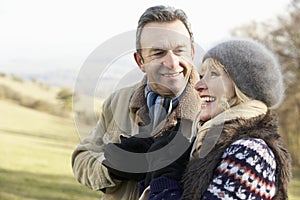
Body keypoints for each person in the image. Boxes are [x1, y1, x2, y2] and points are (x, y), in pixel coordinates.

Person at [71, 5, 201, 200]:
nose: (172, 62)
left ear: (191, 53)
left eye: (179, 51)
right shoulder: (118, 101)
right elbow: (81, 158)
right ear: (140, 61)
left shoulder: (213, 107)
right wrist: (111, 168)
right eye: (158, 53)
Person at [142, 38, 292, 200]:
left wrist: (164, 182)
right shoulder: (207, 143)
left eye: (213, 74)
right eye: (201, 75)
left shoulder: (250, 152)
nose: (198, 85)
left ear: (242, 87)